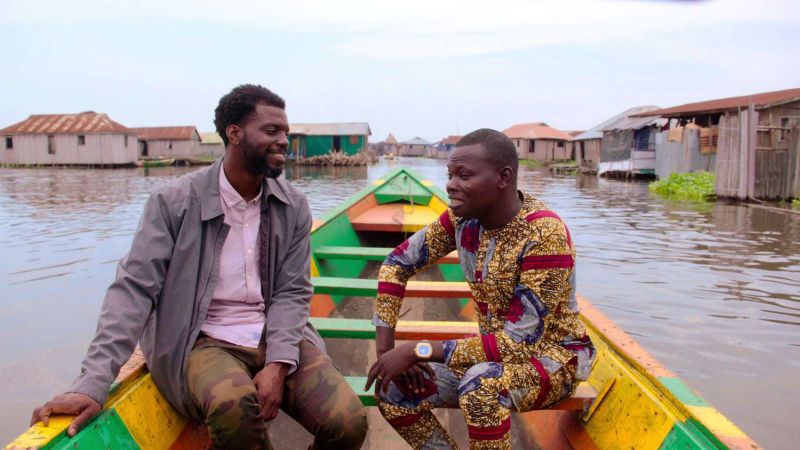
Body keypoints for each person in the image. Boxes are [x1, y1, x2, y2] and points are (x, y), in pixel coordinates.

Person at [30, 84, 367, 450]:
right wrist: (92, 383)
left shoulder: (293, 205)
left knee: (347, 422)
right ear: (234, 134)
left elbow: (292, 291)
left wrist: (278, 363)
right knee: (234, 407)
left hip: (276, 334)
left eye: (285, 131)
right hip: (203, 341)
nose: (284, 140)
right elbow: (133, 292)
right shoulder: (174, 202)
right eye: (272, 131)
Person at [365, 129, 595, 449]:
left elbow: (518, 345)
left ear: (503, 177)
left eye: (464, 175)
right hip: (487, 355)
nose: (450, 184)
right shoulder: (463, 219)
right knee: (392, 390)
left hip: (553, 360)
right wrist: (387, 352)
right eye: (450, 175)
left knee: (481, 388)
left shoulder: (544, 234)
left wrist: (417, 349)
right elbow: (397, 263)